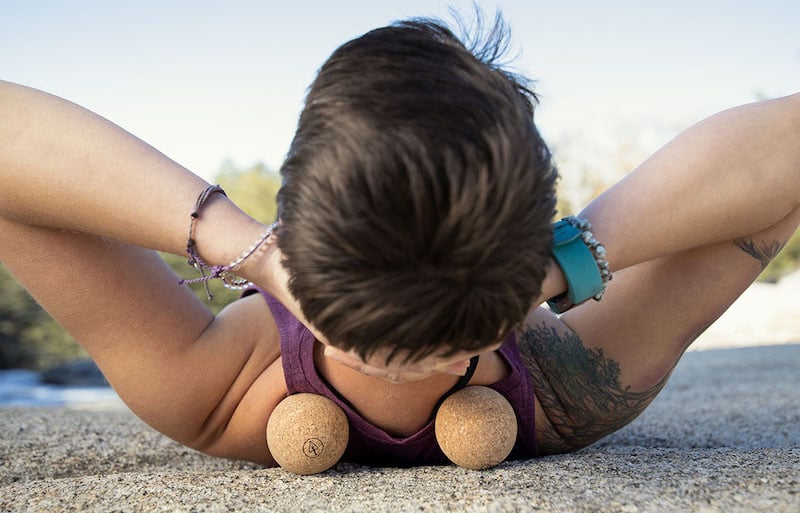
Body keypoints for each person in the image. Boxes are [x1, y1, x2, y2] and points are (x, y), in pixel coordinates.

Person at [0, 16, 798, 466]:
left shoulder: (208, 389)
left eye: (458, 340)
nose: (431, 366)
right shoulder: (572, 393)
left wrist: (558, 261)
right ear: (297, 260)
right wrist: (238, 241)